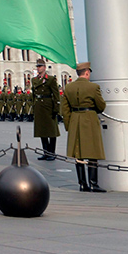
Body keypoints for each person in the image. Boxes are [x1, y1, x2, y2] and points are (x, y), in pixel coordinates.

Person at [61, 61, 106, 193]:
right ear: (87, 72)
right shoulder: (93, 87)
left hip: (75, 119)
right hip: (89, 118)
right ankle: (93, 183)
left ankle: (82, 184)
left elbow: (64, 109)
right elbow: (101, 106)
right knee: (93, 153)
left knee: (78, 154)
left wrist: (70, 126)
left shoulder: (68, 88)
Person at [31, 58, 60, 160]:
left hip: (48, 105)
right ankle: (46, 152)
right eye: (37, 66)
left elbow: (56, 95)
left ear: (44, 67)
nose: (38, 68)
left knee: (51, 131)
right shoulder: (34, 80)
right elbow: (34, 94)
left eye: (40, 66)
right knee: (42, 131)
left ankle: (52, 153)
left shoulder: (50, 79)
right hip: (39, 106)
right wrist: (33, 106)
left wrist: (56, 108)